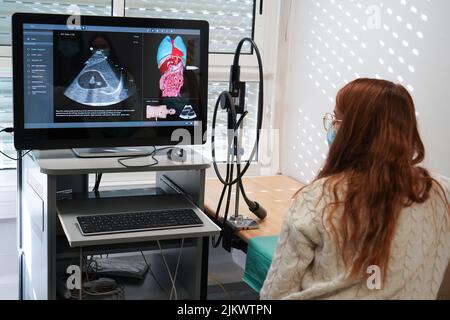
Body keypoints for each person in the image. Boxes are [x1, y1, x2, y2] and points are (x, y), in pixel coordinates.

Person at [260, 78, 450, 300]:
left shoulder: (319, 198)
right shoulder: (440, 191)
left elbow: (275, 294)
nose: (332, 127)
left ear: (354, 132)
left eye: (336, 119)